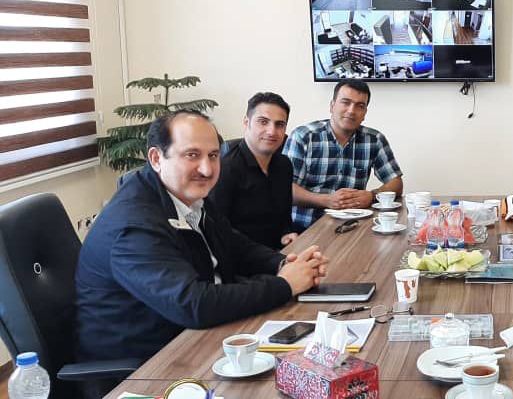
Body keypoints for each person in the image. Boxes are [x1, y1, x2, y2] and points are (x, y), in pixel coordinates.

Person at [75, 110, 328, 398]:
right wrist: (285, 285)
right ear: (156, 158)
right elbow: (192, 304)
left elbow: (234, 244)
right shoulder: (133, 225)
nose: (207, 169)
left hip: (197, 339)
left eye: (213, 155)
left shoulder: (183, 194)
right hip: (145, 372)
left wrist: (284, 263)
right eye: (192, 155)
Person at [283, 80, 403, 231]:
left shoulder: (374, 140)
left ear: (365, 113)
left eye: (360, 106)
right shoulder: (303, 136)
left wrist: (372, 195)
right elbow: (284, 190)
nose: (351, 111)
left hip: (351, 227)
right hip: (304, 229)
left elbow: (396, 183)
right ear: (332, 106)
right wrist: (327, 200)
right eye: (346, 102)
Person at [209, 92, 297, 249]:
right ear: (246, 122)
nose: (272, 131)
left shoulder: (284, 165)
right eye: (263, 122)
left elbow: (284, 220)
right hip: (240, 257)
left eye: (279, 124)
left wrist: (286, 234)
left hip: (280, 251)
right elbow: (218, 232)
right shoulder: (225, 169)